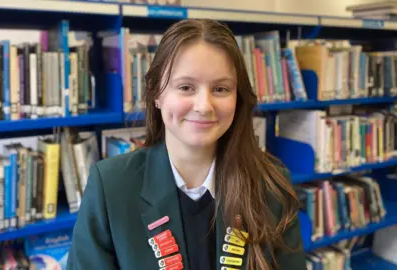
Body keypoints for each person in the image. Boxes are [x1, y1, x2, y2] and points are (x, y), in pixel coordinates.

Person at [66, 19, 306, 270]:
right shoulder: (111, 187)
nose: (204, 105)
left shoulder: (271, 186)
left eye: (221, 88)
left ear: (238, 97)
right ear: (157, 94)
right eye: (186, 87)